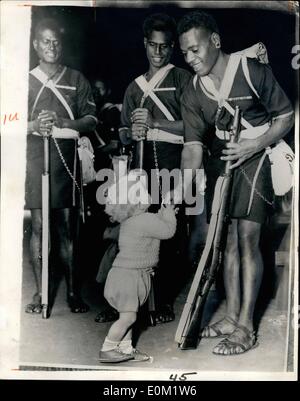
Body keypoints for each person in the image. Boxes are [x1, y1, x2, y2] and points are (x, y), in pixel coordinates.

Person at [173, 11, 294, 355]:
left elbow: (285, 116)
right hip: (224, 158)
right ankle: (229, 316)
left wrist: (254, 144)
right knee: (223, 240)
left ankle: (246, 326)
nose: (190, 58)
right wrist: (180, 188)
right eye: (185, 54)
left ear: (215, 41)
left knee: (246, 237)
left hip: (258, 155)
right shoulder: (194, 90)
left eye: (195, 50)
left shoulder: (252, 72)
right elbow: (193, 147)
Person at [119, 13, 192, 324]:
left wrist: (156, 122)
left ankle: (163, 300)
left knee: (171, 236)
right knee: (139, 235)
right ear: (144, 45)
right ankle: (136, 299)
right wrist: (130, 133)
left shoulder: (183, 79)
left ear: (172, 48)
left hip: (175, 166)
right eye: (153, 46)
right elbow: (122, 130)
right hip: (142, 168)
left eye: (164, 47)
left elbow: (195, 127)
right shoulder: (133, 88)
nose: (158, 53)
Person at [25, 18, 97, 314]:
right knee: (40, 226)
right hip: (35, 156)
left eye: (56, 42)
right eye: (45, 41)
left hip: (66, 158)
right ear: (35, 45)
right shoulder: (24, 80)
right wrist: (33, 123)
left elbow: (92, 119)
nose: (51, 46)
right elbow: (7, 120)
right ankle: (41, 292)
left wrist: (66, 123)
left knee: (67, 227)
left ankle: (71, 291)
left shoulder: (76, 79)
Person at [99, 172, 177, 363]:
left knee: (127, 316)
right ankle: (107, 348)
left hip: (121, 276)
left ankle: (125, 349)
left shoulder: (131, 221)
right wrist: (169, 214)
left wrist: (162, 215)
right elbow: (167, 231)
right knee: (128, 318)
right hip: (130, 279)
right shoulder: (145, 220)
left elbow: (153, 226)